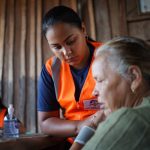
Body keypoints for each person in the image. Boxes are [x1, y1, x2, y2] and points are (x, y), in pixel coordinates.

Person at [37, 5, 103, 147]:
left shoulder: (108, 57)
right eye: (57, 47)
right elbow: (46, 122)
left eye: (71, 41)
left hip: (107, 135)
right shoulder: (51, 70)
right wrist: (79, 126)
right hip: (71, 139)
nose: (66, 52)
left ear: (83, 30)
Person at [70, 36, 150, 150]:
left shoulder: (129, 119)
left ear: (134, 77)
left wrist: (91, 126)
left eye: (100, 80)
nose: (94, 92)